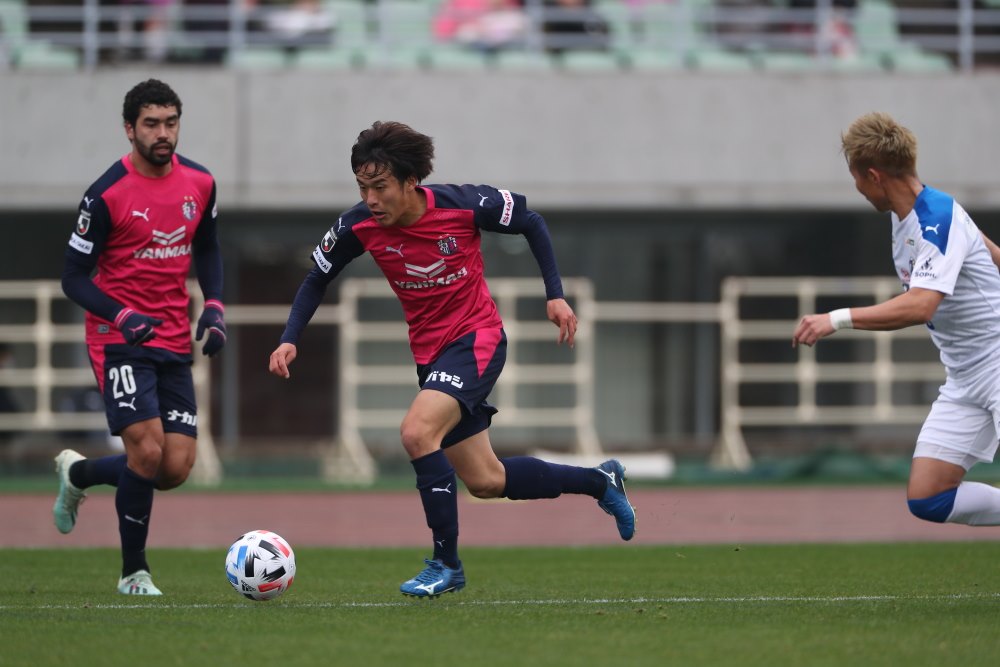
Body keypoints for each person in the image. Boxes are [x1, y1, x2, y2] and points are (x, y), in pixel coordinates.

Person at [269, 121, 635, 598]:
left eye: (380, 187)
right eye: (363, 187)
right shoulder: (357, 226)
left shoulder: (464, 205)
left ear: (409, 182)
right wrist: (289, 337)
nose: (371, 198)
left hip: (477, 339)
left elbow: (531, 221)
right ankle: (599, 481)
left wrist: (555, 295)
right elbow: (317, 277)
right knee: (486, 480)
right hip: (431, 355)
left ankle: (446, 565)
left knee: (416, 432)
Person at [55, 79, 226, 596]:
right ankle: (134, 572)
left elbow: (210, 249)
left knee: (173, 468)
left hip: (173, 336)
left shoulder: (200, 183)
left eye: (171, 123)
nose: (163, 134)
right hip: (118, 337)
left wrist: (215, 307)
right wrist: (122, 314)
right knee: (145, 454)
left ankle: (78, 474)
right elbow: (74, 278)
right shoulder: (105, 194)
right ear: (129, 129)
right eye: (151, 124)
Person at [792, 111, 1000, 530]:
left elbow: (921, 305)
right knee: (929, 497)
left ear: (873, 176)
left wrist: (836, 319)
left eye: (856, 179)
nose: (858, 190)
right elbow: (991, 254)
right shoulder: (916, 216)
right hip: (966, 378)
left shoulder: (936, 218)